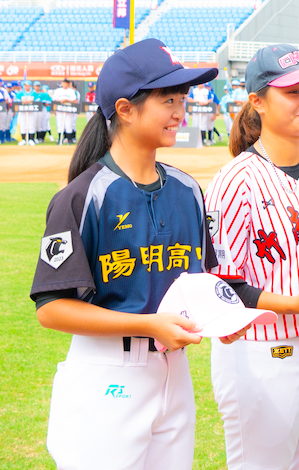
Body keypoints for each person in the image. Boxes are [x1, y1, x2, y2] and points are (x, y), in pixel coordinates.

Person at [29, 38, 249, 470]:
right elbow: (52, 308)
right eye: (168, 99)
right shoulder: (82, 197)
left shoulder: (186, 190)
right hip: (108, 372)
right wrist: (149, 324)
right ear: (126, 109)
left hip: (173, 371)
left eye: (182, 98)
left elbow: (201, 281)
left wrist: (223, 318)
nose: (179, 111)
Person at [205, 45, 299, 470]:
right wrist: (294, 303)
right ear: (257, 100)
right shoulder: (236, 179)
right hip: (264, 351)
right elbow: (223, 284)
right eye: (293, 92)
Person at [16, 81, 38, 146]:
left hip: (32, 111)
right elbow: (16, 100)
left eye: (27, 85)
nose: (26, 86)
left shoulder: (34, 93)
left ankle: (31, 139)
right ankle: (23, 139)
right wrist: (21, 101)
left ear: (30, 86)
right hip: (23, 111)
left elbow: (38, 101)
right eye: (25, 85)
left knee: (31, 124)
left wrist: (31, 100)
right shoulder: (20, 93)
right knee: (23, 124)